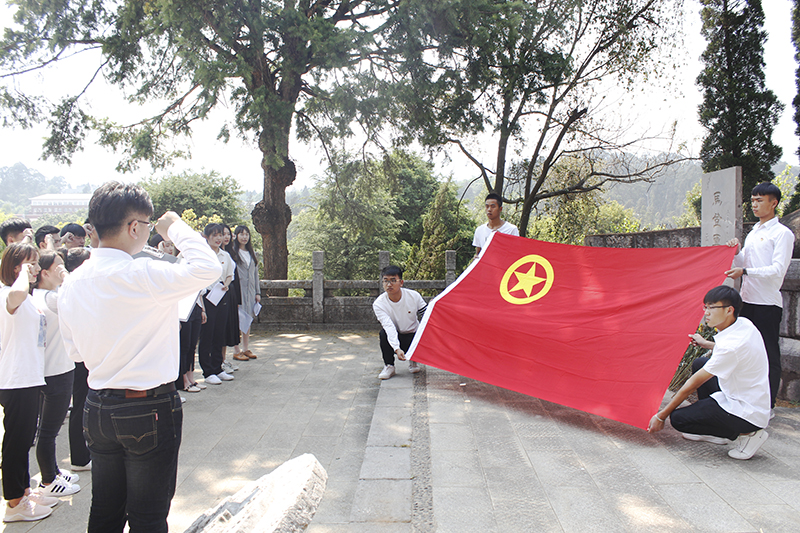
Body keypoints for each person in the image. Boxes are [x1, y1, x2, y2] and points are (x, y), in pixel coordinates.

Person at [58, 181, 221, 533]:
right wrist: (175, 227)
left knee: (105, 510)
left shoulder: (73, 280)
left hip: (97, 406)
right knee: (148, 515)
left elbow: (75, 352)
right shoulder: (144, 273)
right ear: (134, 227)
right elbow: (209, 269)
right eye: (147, 225)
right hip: (147, 407)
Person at [647, 285, 770, 460]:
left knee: (679, 419)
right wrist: (706, 344)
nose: (706, 312)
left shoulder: (731, 347)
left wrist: (661, 416)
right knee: (700, 363)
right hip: (745, 395)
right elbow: (735, 351)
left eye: (712, 308)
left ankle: (749, 434)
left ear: (729, 310)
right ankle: (716, 433)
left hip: (747, 413)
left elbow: (692, 384)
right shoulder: (744, 324)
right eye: (706, 307)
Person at [0, 243, 60, 522]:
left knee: (25, 439)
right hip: (16, 378)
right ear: (15, 267)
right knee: (16, 440)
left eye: (36, 263)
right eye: (30, 264)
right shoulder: (8, 294)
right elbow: (16, 295)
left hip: (30, 376)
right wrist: (24, 274)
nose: (36, 269)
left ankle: (24, 491)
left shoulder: (28, 297)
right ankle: (14, 503)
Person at [725, 181, 795, 414]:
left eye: (760, 200)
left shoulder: (782, 234)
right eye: (753, 200)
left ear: (773, 203)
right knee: (746, 352)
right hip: (747, 301)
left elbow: (777, 270)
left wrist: (745, 271)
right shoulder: (754, 232)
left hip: (767, 304)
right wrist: (736, 252)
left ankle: (768, 405)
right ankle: (746, 399)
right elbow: (743, 263)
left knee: (768, 354)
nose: (754, 205)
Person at [31, 251, 80, 497]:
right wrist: (68, 277)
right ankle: (49, 480)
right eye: (58, 267)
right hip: (57, 371)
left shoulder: (41, 296)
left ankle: (53, 472)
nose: (63, 271)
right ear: (45, 273)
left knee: (48, 430)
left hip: (49, 370)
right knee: (49, 431)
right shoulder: (52, 298)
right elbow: (78, 302)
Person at [61, 247, 92, 474]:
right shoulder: (72, 289)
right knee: (80, 404)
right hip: (78, 356)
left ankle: (84, 453)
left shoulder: (76, 287)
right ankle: (79, 458)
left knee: (84, 403)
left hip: (84, 353)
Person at [197, 223, 236, 385]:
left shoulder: (225, 255)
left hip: (221, 295)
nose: (218, 238)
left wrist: (226, 284)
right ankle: (207, 371)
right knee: (208, 334)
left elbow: (230, 274)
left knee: (219, 333)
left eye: (220, 235)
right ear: (207, 237)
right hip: (207, 297)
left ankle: (218, 367)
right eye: (215, 235)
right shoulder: (203, 255)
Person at [372, 265, 426, 380]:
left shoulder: (414, 296)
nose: (389, 284)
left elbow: (426, 316)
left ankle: (413, 359)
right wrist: (396, 348)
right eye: (385, 281)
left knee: (423, 332)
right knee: (383, 334)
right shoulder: (379, 304)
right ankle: (389, 366)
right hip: (396, 335)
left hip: (413, 336)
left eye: (393, 280)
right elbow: (388, 326)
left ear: (401, 282)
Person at [230, 225, 261, 360]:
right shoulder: (233, 253)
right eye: (241, 234)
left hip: (250, 291)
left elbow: (255, 275)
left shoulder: (251, 254)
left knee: (247, 319)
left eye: (246, 234)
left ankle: (246, 348)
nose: (244, 237)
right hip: (238, 291)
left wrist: (257, 292)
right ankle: (236, 350)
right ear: (236, 236)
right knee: (237, 320)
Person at [472, 192, 519, 258]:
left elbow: (516, 254)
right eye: (487, 206)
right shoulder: (479, 230)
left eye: (493, 207)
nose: (489, 209)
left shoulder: (511, 229)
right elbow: (478, 253)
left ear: (500, 209)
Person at [221, 224, 241, 371]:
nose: (226, 237)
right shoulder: (214, 254)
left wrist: (238, 299)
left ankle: (223, 359)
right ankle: (219, 362)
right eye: (223, 234)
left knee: (228, 328)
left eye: (228, 234)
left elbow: (236, 277)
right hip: (220, 291)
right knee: (221, 329)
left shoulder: (230, 253)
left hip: (231, 292)